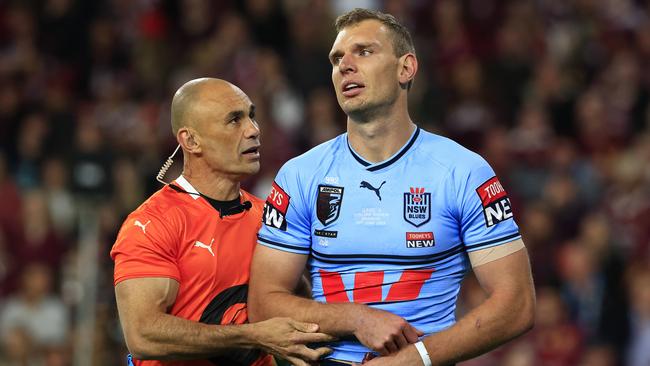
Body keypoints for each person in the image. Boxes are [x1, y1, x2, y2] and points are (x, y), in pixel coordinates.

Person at [249, 9, 536, 365]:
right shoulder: (300, 176)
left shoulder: (463, 172)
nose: (345, 66)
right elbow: (263, 304)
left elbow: (517, 305)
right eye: (337, 58)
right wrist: (356, 318)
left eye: (364, 51)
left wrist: (411, 360)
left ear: (406, 68)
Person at [110, 78, 334, 366]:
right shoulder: (151, 224)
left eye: (251, 116)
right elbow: (143, 336)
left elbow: (303, 304)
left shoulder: (268, 218)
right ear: (191, 140)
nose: (253, 130)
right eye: (234, 120)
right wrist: (252, 335)